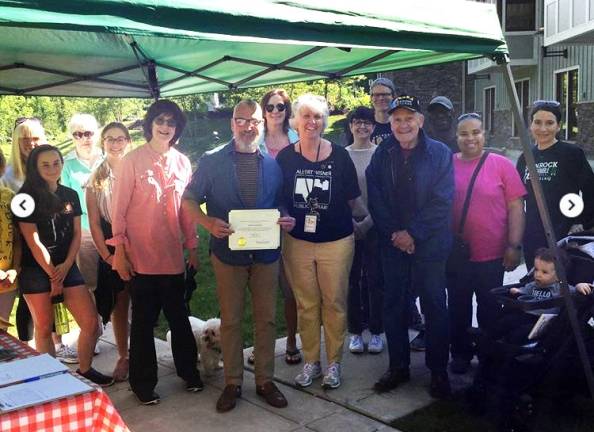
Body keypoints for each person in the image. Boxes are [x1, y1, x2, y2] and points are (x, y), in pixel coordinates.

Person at [183, 99, 293, 413]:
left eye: (254, 121)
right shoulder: (212, 160)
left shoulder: (272, 163)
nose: (248, 126)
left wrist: (285, 217)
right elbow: (189, 199)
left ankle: (264, 381)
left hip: (265, 254)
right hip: (228, 254)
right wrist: (206, 222)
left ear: (262, 124)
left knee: (267, 320)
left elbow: (279, 203)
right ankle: (232, 382)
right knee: (230, 321)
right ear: (232, 124)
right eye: (241, 120)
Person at [108, 100, 202, 405]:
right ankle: (143, 385)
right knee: (145, 324)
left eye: (171, 123)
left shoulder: (183, 163)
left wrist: (193, 247)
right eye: (160, 120)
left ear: (178, 129)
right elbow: (118, 211)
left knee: (179, 319)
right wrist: (120, 252)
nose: (165, 127)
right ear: (150, 123)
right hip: (141, 259)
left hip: (173, 258)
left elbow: (187, 212)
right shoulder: (132, 161)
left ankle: (189, 373)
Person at [366, 95, 454, 399]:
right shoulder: (383, 153)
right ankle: (398, 367)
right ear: (390, 122)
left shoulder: (440, 153)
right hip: (393, 245)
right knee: (394, 307)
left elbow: (442, 201)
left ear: (420, 120)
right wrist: (395, 233)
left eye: (408, 118)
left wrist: (412, 233)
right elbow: (375, 195)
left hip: (429, 245)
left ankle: (439, 371)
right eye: (397, 119)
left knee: (434, 306)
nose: (403, 124)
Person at [277, 94, 366, 390]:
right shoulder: (286, 157)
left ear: (324, 122)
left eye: (317, 117)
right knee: (306, 304)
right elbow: (279, 200)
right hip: (298, 241)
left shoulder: (340, 155)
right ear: (296, 121)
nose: (311, 122)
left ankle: (334, 364)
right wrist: (284, 214)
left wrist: (367, 219)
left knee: (335, 303)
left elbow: (354, 199)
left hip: (337, 240)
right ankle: (312, 362)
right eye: (306, 116)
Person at [16, 145, 113, 386]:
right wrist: (52, 274)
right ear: (35, 168)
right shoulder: (23, 198)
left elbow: (77, 233)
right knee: (44, 325)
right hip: (36, 270)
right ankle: (49, 379)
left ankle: (85, 369)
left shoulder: (70, 194)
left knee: (91, 323)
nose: (52, 169)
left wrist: (67, 264)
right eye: (45, 165)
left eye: (56, 163)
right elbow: (32, 239)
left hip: (67, 266)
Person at [447, 112, 526, 374]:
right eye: (464, 133)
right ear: (456, 137)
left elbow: (516, 207)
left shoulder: (502, 165)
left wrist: (514, 245)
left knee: (489, 308)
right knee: (457, 306)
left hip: (492, 255)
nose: (470, 138)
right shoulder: (446, 164)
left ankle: (488, 354)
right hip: (456, 255)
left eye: (476, 132)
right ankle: (459, 353)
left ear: (484, 134)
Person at [250, 89, 301, 366]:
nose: (275, 111)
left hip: (292, 222)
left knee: (291, 289)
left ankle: (292, 340)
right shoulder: (252, 140)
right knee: (263, 291)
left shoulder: (298, 139)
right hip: (259, 225)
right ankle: (262, 346)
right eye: (269, 107)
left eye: (280, 106)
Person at [516, 100, 594, 267]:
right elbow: (517, 199)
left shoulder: (571, 154)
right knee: (537, 283)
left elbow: (590, 189)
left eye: (549, 123)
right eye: (537, 122)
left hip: (564, 233)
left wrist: (581, 223)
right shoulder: (525, 157)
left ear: (558, 126)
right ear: (531, 125)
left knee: (562, 285)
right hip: (533, 234)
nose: (543, 128)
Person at [86, 122, 131, 382]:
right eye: (110, 139)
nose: (115, 144)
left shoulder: (136, 168)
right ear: (103, 142)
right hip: (112, 248)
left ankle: (142, 354)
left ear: (128, 141)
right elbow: (94, 222)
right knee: (120, 304)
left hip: (139, 244)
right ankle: (124, 356)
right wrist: (107, 256)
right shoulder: (96, 178)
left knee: (146, 303)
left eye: (120, 139)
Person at [344, 106, 384, 355]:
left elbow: (386, 194)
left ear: (373, 126)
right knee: (351, 280)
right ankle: (356, 332)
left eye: (367, 122)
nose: (362, 127)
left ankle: (378, 331)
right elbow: (339, 193)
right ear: (350, 126)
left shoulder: (381, 154)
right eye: (357, 122)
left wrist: (369, 222)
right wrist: (352, 222)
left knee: (376, 280)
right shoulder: (341, 155)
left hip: (377, 225)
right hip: (348, 226)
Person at [0, 149, 21, 325]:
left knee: (2, 332)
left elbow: (18, 240)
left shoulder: (10, 198)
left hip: (7, 279)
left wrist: (15, 269)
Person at [369, 77, 396, 145]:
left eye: (385, 94)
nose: (381, 98)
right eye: (376, 95)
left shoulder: (400, 124)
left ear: (393, 96)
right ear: (371, 98)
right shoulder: (364, 125)